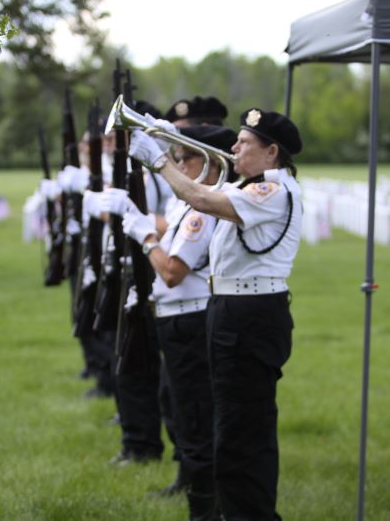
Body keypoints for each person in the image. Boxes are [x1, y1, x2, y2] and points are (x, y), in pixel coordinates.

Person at [129, 108, 303, 521]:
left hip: (250, 314)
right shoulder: (248, 187)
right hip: (233, 309)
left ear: (272, 152)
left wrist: (159, 160)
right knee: (230, 427)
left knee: (242, 431)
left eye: (244, 142)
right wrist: (174, 141)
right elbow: (197, 192)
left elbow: (200, 197)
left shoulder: (272, 191)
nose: (234, 147)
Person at [123, 125, 237, 520]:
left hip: (190, 319)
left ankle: (205, 507)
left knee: (195, 417)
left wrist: (146, 240)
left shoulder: (202, 209)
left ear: (209, 163)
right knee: (178, 408)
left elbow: (173, 271)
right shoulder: (190, 205)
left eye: (186, 156)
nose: (179, 163)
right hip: (179, 317)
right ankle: (194, 487)